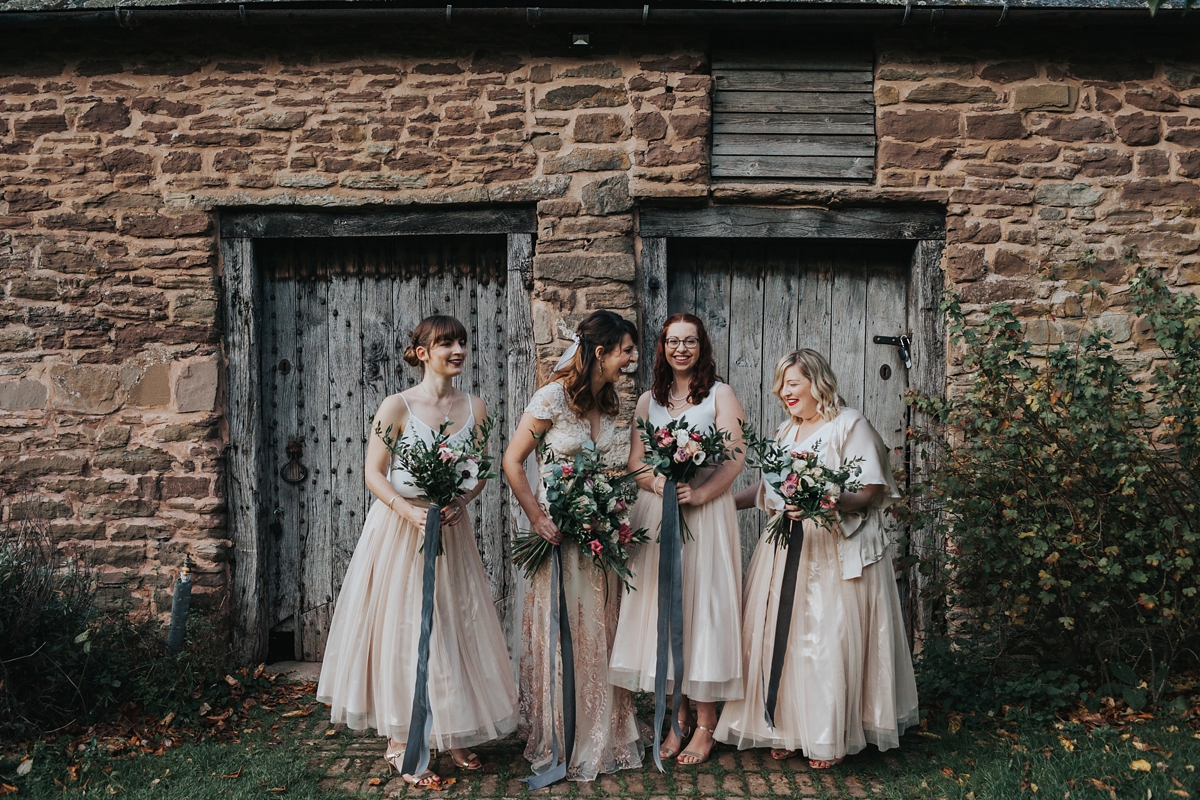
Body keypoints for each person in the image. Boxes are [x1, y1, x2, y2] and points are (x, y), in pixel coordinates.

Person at [317, 315, 517, 788]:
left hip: (450, 530)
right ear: (422, 352)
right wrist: (408, 512)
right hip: (401, 529)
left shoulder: (476, 407)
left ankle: (453, 732)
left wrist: (459, 502)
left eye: (462, 342)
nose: (457, 350)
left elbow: (481, 473)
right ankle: (402, 736)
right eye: (445, 343)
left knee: (452, 624)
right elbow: (374, 472)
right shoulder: (397, 406)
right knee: (406, 627)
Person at [714, 348, 918, 769]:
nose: (784, 392)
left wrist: (827, 501)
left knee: (826, 639)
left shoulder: (850, 425)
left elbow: (868, 491)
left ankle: (829, 732)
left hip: (833, 549)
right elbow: (765, 489)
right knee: (780, 639)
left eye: (793, 383)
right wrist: (717, 504)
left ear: (816, 382)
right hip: (786, 547)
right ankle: (786, 728)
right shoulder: (784, 432)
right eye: (782, 384)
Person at [503, 309, 645, 783]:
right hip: (561, 541)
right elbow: (513, 461)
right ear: (601, 352)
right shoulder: (551, 398)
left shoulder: (609, 402)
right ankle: (564, 733)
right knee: (569, 638)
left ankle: (603, 730)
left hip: (602, 542)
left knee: (601, 634)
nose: (633, 358)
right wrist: (538, 516)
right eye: (626, 350)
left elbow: (617, 468)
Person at [609, 313, 746, 766]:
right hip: (659, 509)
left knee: (701, 610)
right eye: (673, 341)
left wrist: (698, 492)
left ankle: (706, 725)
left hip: (704, 514)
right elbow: (635, 461)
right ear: (663, 348)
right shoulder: (650, 400)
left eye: (690, 341)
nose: (681, 349)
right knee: (664, 611)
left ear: (702, 347)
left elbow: (734, 458)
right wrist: (660, 486)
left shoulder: (719, 394)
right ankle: (677, 719)